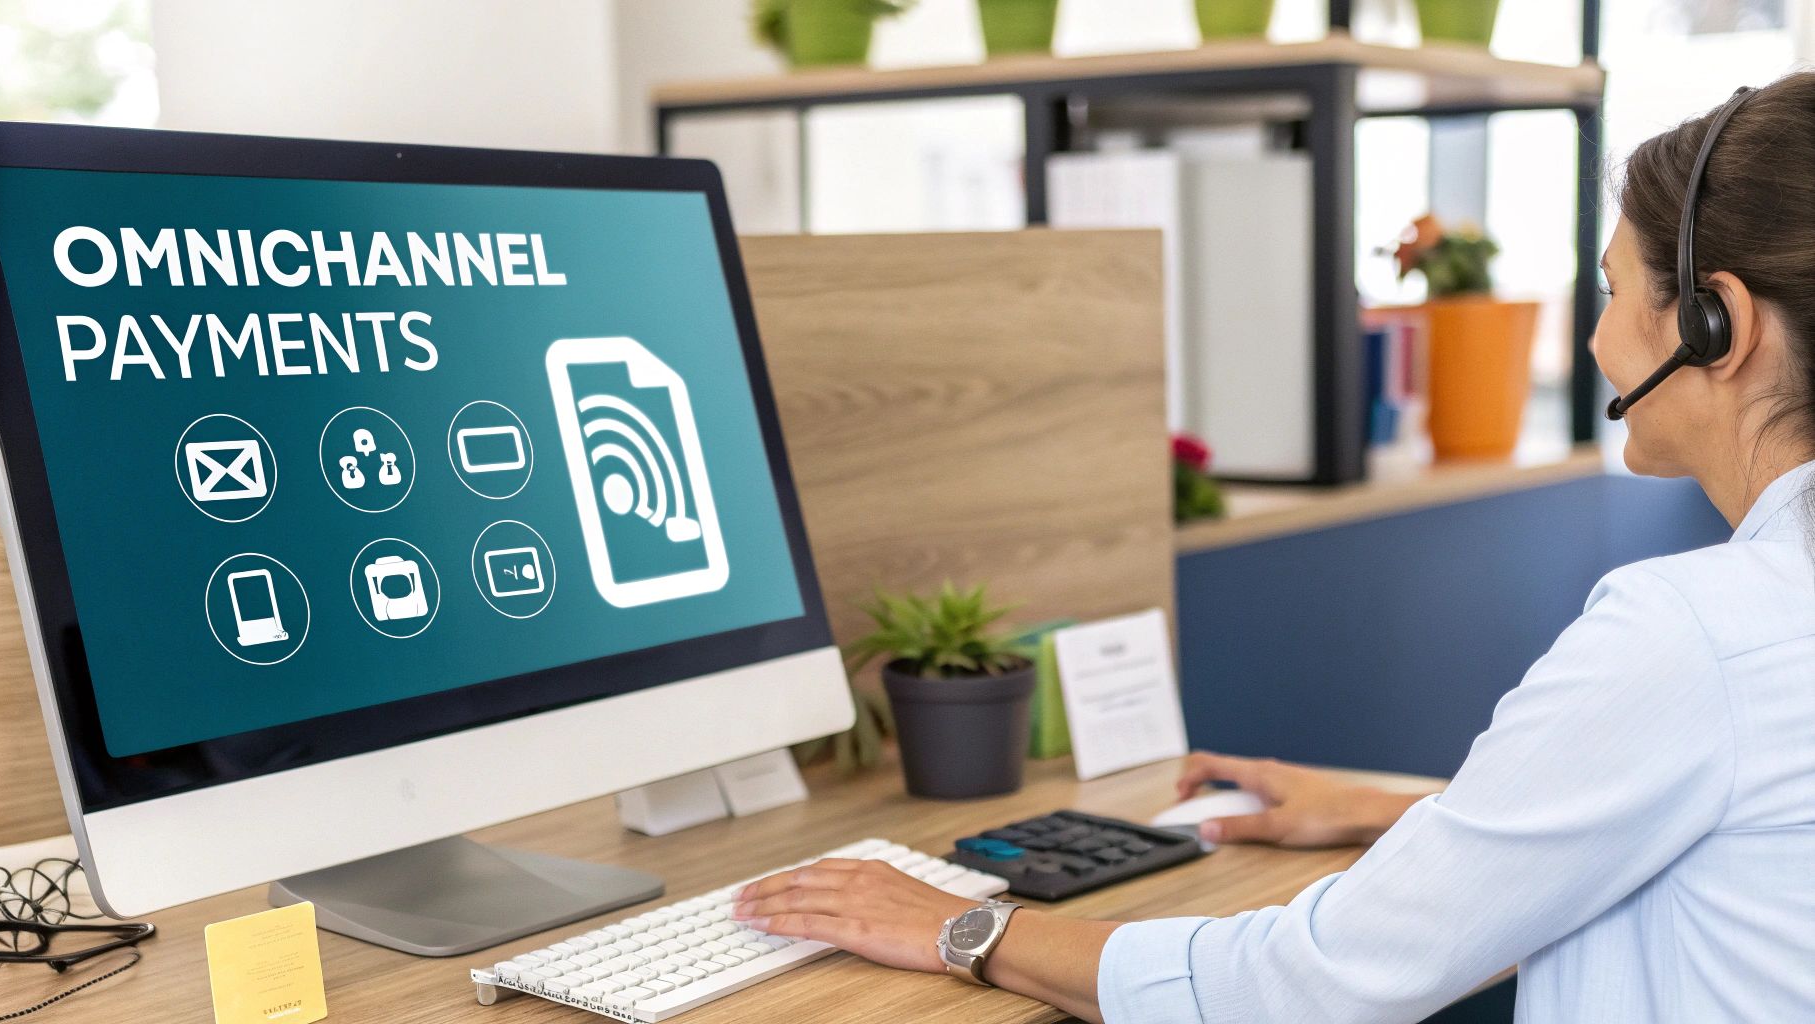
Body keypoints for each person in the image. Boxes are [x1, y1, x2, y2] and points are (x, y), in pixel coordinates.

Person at [730, 71, 1815, 1023]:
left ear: (1713, 323)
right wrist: (1405, 813)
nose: (1592, 336)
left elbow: (1307, 984)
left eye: (1613, 291)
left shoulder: (1689, 633)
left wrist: (960, 929)